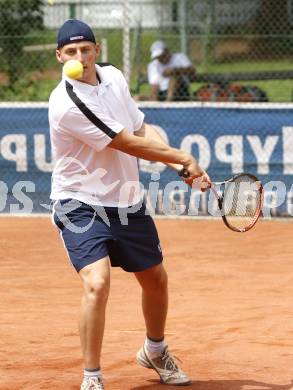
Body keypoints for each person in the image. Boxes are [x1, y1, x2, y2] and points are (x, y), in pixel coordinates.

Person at [49, 19, 210, 390]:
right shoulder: (67, 103)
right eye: (70, 52)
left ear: (96, 51)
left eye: (85, 49)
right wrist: (182, 155)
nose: (79, 57)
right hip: (80, 203)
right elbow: (126, 143)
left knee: (156, 280)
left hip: (125, 200)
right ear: (60, 57)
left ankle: (155, 350)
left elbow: (139, 128)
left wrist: (174, 163)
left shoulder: (114, 78)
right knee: (97, 282)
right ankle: (92, 376)